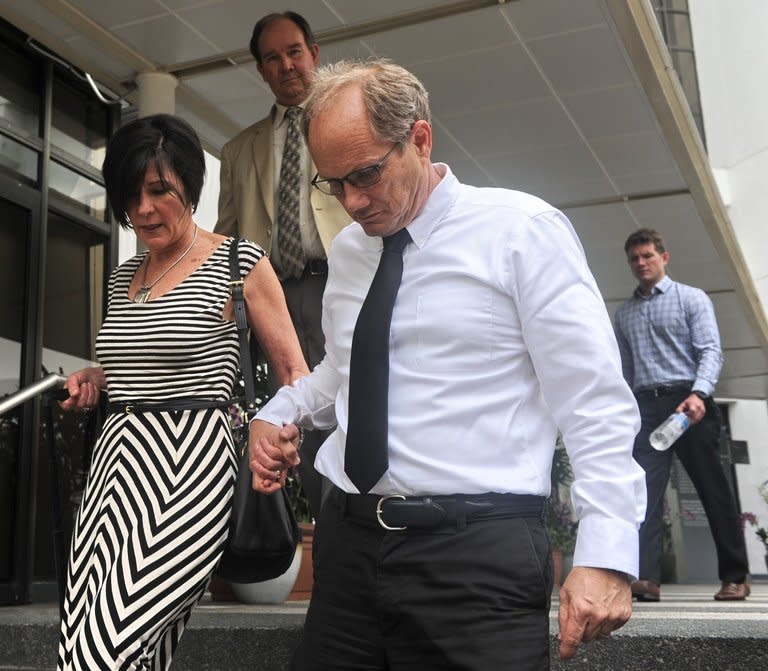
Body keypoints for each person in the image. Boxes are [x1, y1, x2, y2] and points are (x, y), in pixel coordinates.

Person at [248, 59, 647, 670]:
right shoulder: (352, 252)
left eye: (366, 174)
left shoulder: (521, 231)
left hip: (476, 559)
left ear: (420, 139)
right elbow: (344, 371)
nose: (352, 202)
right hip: (350, 551)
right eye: (333, 184)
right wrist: (279, 411)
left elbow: (592, 397)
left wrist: (606, 552)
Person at [56, 114, 308, 670]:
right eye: (130, 195)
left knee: (105, 645)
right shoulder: (125, 277)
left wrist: (278, 433)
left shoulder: (240, 261)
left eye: (158, 191)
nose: (142, 209)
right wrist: (94, 379)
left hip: (191, 470)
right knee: (111, 642)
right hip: (114, 473)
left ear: (189, 190)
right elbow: (127, 362)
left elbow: (296, 374)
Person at [215, 11, 349, 518]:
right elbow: (228, 235)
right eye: (272, 58)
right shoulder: (238, 150)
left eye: (294, 51)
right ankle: (308, 524)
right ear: (261, 70)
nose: (286, 64)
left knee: (343, 404)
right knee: (281, 410)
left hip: (334, 284)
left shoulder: (343, 126)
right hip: (266, 294)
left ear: (314, 53)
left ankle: (347, 531)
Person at [613, 228, 750, 602]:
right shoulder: (623, 316)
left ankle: (735, 576)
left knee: (713, 491)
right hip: (647, 408)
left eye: (647, 256)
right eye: (634, 259)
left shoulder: (692, 299)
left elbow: (710, 351)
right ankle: (645, 579)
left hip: (690, 405)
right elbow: (625, 371)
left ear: (664, 257)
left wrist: (700, 393)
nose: (641, 263)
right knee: (645, 495)